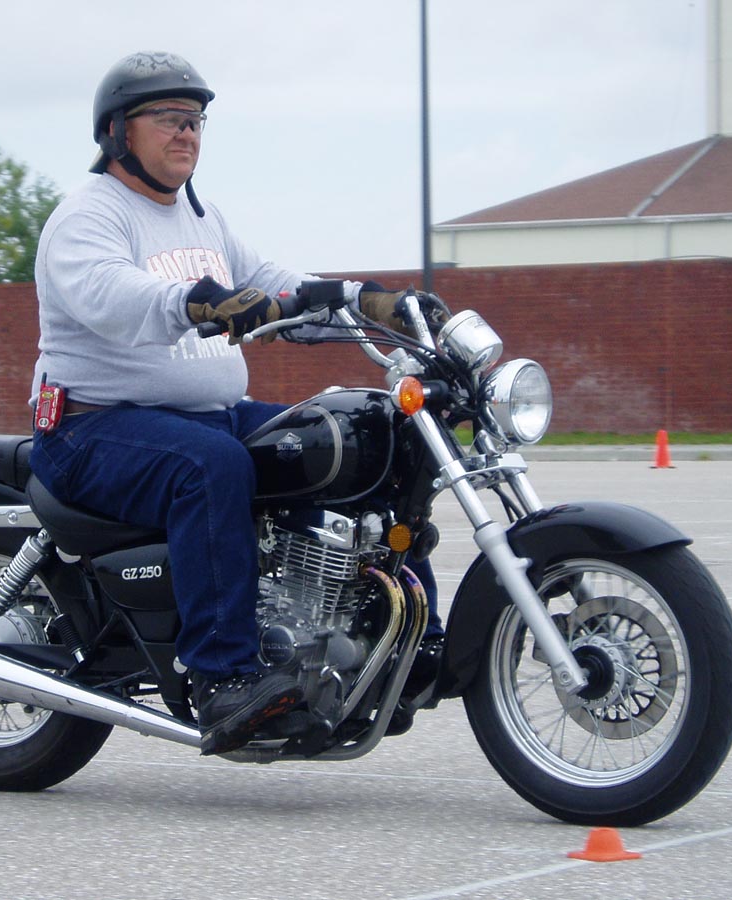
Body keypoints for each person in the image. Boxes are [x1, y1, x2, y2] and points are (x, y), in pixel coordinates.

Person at [28, 51, 442, 756]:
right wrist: (198, 302)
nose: (187, 132)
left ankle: (410, 642)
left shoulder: (202, 216)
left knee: (353, 437)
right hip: (90, 427)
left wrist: (363, 301)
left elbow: (271, 283)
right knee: (212, 465)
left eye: (195, 120)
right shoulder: (87, 215)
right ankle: (223, 678)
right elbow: (110, 295)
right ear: (117, 131)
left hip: (204, 414)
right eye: (168, 118)